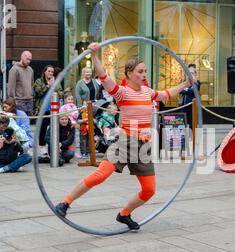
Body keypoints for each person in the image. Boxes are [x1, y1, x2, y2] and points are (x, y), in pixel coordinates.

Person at [54, 42, 196, 230]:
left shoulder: (148, 92)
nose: (144, 75)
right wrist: (95, 55)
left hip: (144, 145)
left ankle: (124, 214)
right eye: (140, 71)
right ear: (129, 73)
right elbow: (103, 77)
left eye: (145, 71)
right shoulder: (122, 93)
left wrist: (186, 83)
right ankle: (65, 202)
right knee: (100, 175)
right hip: (125, 141)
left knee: (149, 190)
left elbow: (166, 94)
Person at [33, 65, 64, 154]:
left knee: (54, 128)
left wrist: (55, 91)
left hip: (54, 109)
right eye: (49, 71)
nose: (51, 73)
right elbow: (38, 92)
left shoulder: (56, 82)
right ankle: (42, 146)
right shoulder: (39, 81)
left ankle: (53, 146)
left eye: (52, 72)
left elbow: (61, 93)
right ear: (44, 72)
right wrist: (47, 86)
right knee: (42, 128)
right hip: (43, 109)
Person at [7, 51, 35, 116]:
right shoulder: (14, 69)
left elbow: (32, 84)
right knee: (20, 122)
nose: (29, 61)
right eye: (27, 59)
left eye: (30, 60)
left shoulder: (30, 69)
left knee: (28, 123)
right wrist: (13, 101)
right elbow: (11, 87)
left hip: (29, 101)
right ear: (22, 57)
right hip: (19, 101)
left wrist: (31, 97)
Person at [179, 64, 200, 128]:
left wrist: (186, 89)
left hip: (192, 107)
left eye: (192, 73)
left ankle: (194, 137)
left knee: (192, 124)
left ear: (195, 74)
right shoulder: (184, 82)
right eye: (189, 72)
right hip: (183, 106)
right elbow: (180, 91)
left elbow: (193, 91)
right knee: (182, 123)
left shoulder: (197, 82)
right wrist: (187, 89)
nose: (190, 74)